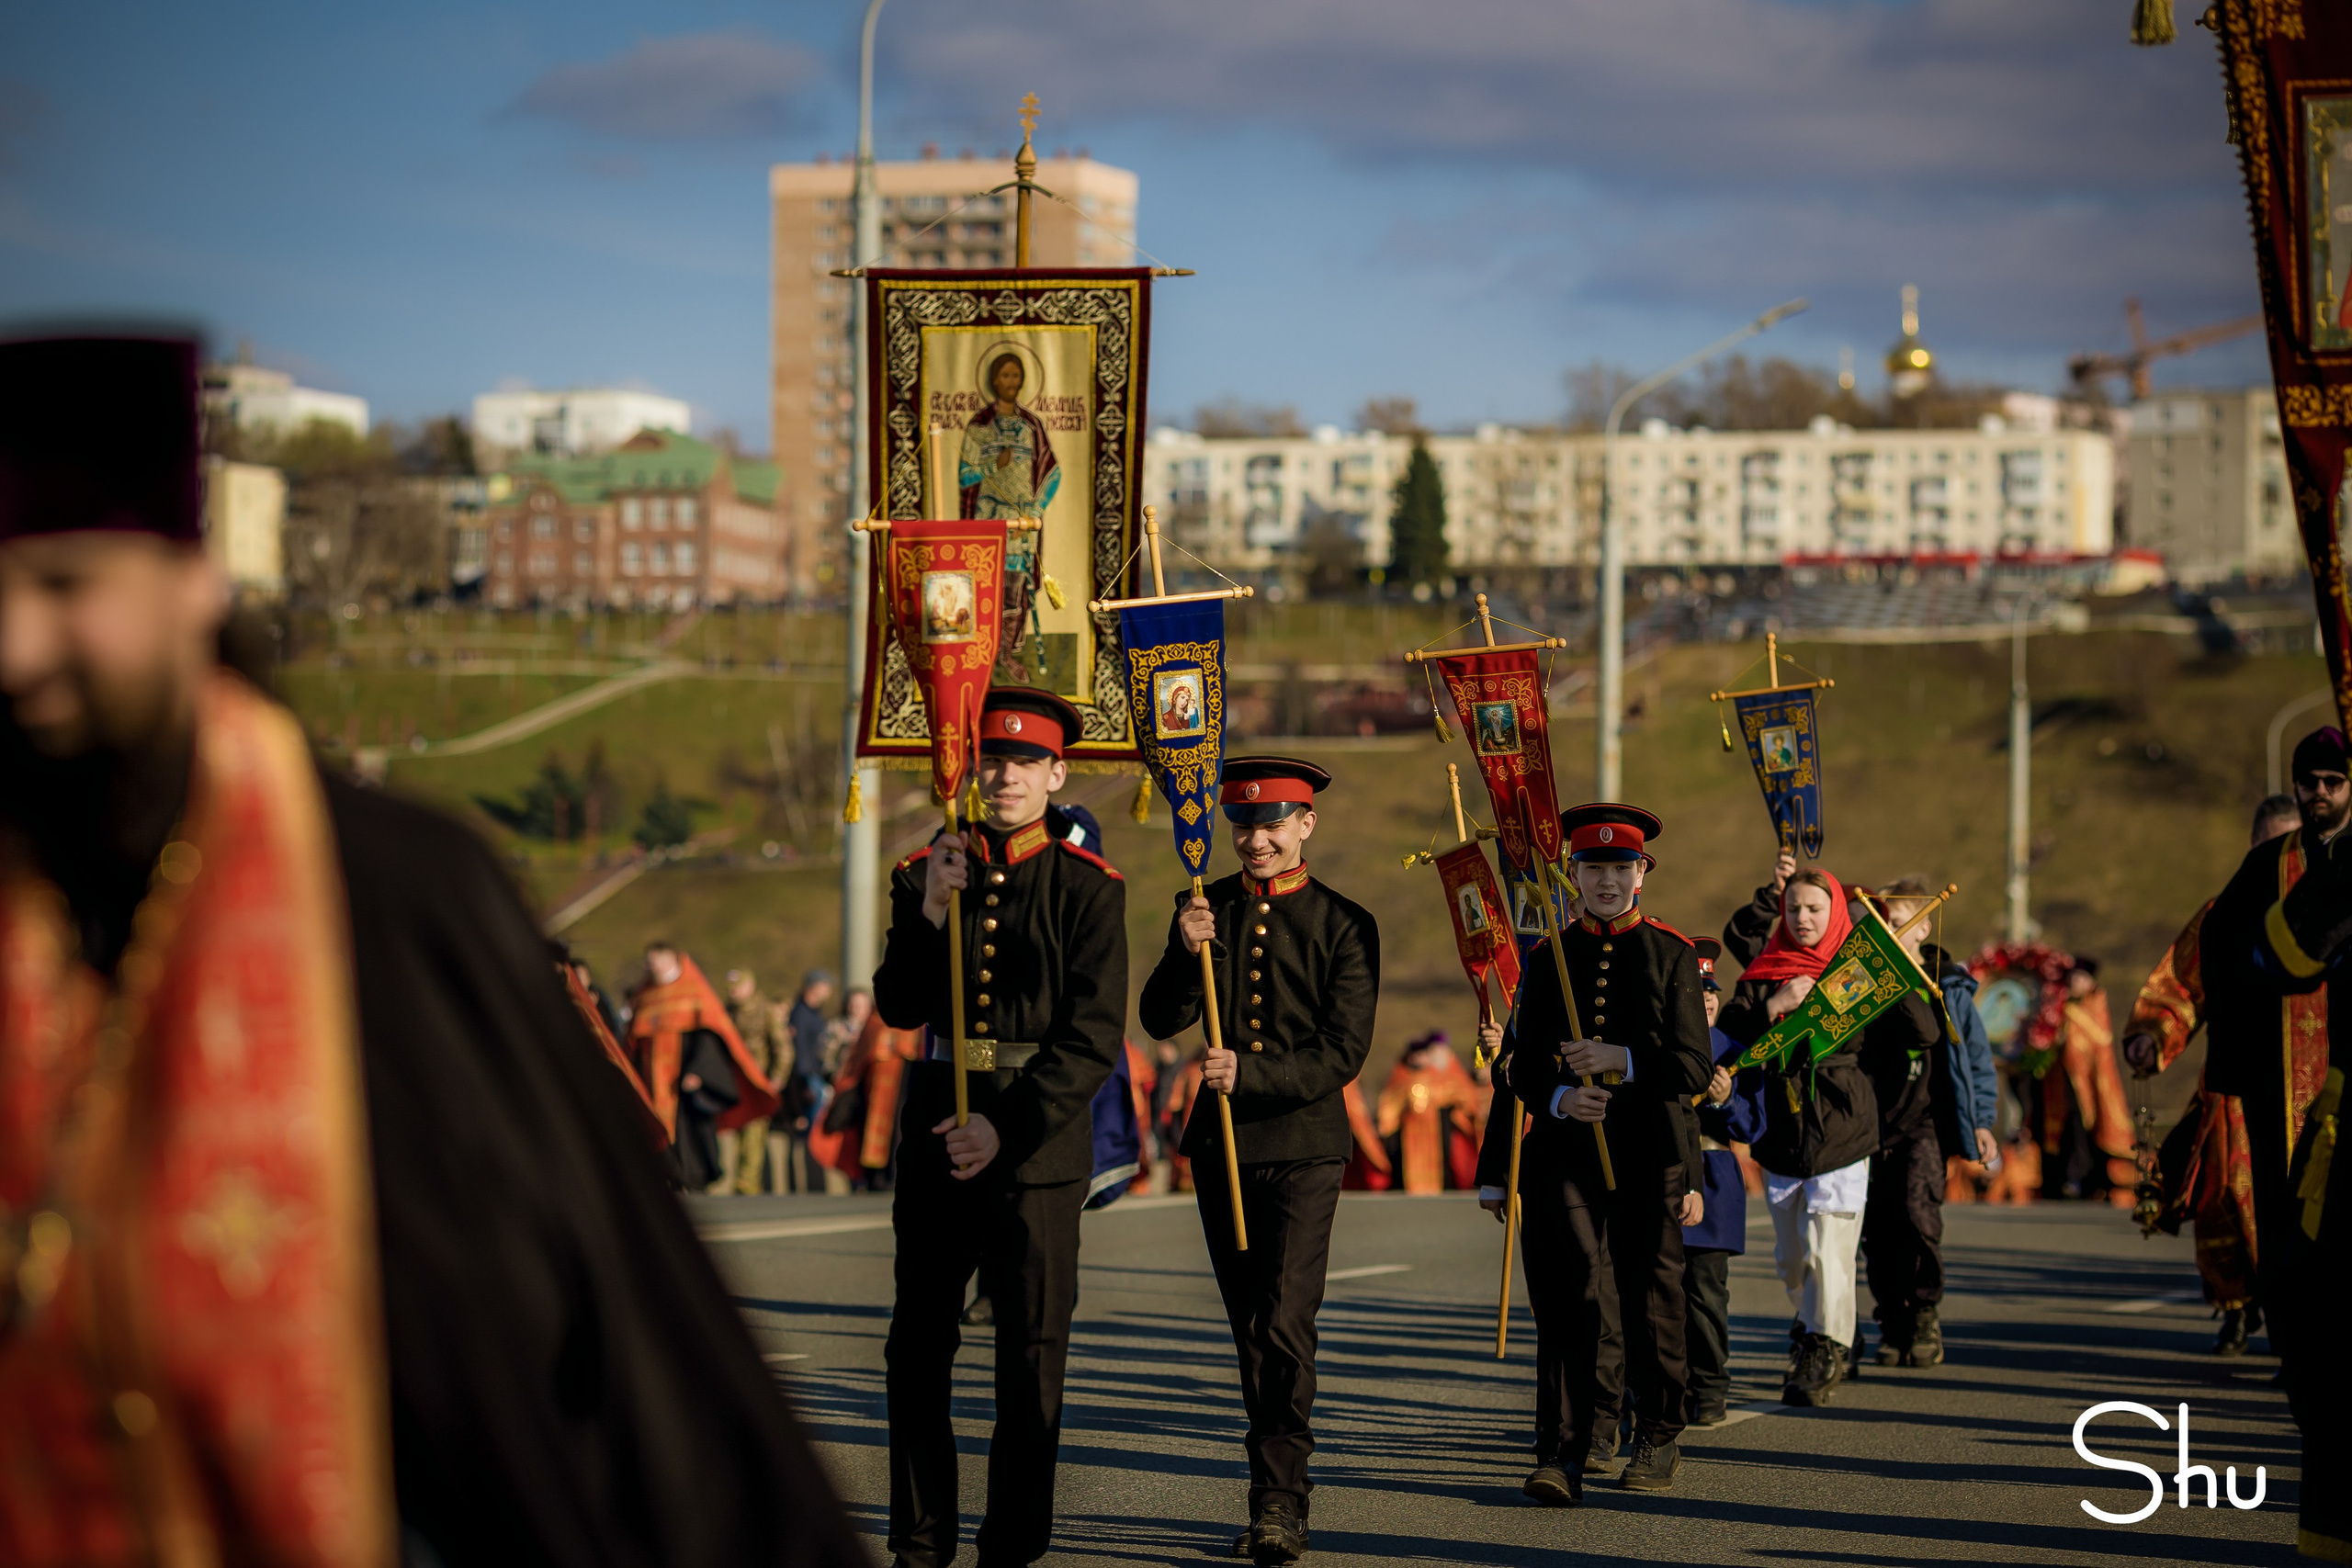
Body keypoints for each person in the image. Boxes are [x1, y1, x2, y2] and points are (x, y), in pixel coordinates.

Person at [0, 332, 865, 1565]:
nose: (14, 647)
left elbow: (622, 1336)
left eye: (66, 585)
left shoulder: (388, 890)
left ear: (194, 579)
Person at [872, 686, 1125, 1568]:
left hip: (1036, 1143)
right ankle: (918, 1541)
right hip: (940, 1121)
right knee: (917, 1347)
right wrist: (931, 909)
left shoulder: (1087, 887)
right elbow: (900, 1005)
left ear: (1058, 773)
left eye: (1026, 762)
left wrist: (1004, 1131)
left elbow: (1091, 1040)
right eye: (992, 758)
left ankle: (1010, 1545)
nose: (1005, 773)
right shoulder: (924, 868)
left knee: (1029, 1356)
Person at [1138, 756, 1379, 1563]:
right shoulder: (1204, 907)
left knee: (1284, 1319)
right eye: (1243, 825)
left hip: (1305, 1145)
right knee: (1249, 1326)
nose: (1256, 839)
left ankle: (1281, 1501)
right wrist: (1182, 948)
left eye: (1272, 823)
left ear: (1306, 823)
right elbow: (1159, 1017)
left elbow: (1343, 1051)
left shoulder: (1346, 923)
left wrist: (1255, 1073)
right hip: (1223, 1148)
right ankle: (1270, 1489)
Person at [1475, 804, 1713, 1505]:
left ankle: (1660, 1427)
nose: (1606, 880)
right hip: (1565, 1153)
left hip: (1649, 1152)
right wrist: (1556, 1098)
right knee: (1570, 1295)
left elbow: (1695, 1068)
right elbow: (1516, 1064)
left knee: (1650, 1295)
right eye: (1592, 868)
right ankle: (1564, 1449)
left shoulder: (1669, 953)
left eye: (1620, 867)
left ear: (1642, 874)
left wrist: (1624, 1060)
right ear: (1571, 874)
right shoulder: (1547, 955)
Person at [1719, 852, 1937, 1407]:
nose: (1804, 918)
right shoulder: (1767, 967)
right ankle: (1836, 1326)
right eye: (1794, 908)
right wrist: (1776, 1002)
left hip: (1844, 1125)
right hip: (1781, 1131)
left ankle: (1823, 1349)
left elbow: (1925, 1031)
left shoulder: (1857, 971)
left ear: (1835, 909)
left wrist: (1898, 960)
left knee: (1829, 1248)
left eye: (1815, 907)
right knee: (1792, 1258)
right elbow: (1728, 1035)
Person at [2223, 737, 2352, 1561]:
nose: (2318, 793)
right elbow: (2224, 955)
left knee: (2331, 1328)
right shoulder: (2267, 865)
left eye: (2333, 780)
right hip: (2287, 1109)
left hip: (2339, 1121)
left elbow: (2282, 956)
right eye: (2308, 780)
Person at [2121, 794, 2302, 1354]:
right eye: (2269, 845)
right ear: (2252, 846)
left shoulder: (2333, 904)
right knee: (2230, 1195)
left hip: (2314, 1092)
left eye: (2289, 846)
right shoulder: (2223, 914)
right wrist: (2151, 1036)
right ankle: (2240, 1304)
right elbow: (2180, 985)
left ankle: (2299, 1325)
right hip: (2238, 1088)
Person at [1861, 877, 2001, 1368]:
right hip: (1872, 1122)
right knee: (1877, 1228)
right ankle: (1891, 1319)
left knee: (1918, 1215)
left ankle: (1924, 1312)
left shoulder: (1950, 986)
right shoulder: (1865, 979)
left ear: (1922, 928)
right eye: (1881, 924)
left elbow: (1976, 1061)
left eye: (1897, 924)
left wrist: (1982, 1121)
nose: (1888, 933)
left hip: (1927, 1123)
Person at [1684, 937, 1765, 1427]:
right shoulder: (1659, 1047)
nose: (1708, 997)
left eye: (1712, 989)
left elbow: (1753, 1126)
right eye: (1698, 989)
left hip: (1713, 1181)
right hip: (1663, 1180)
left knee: (1706, 1294)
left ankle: (1709, 1387)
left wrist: (1726, 1098)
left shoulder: (1737, 1054)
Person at [628, 942, 779, 1192]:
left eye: (659, 959)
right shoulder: (645, 996)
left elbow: (708, 1036)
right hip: (653, 1079)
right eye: (650, 960)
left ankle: (695, 1176)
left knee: (691, 1129)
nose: (654, 965)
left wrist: (699, 1071)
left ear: (674, 959)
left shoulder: (693, 991)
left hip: (685, 1077)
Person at [1375, 1031, 1480, 1192]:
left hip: (1437, 1132)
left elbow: (1461, 1095)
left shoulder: (1440, 1076)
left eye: (1422, 1054)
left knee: (1442, 1159)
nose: (1418, 1058)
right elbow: (1389, 1105)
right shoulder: (1401, 1077)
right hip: (1409, 1133)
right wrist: (1386, 1125)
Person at [726, 966, 792, 1194]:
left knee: (754, 1133)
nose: (734, 993)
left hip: (758, 1081)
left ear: (750, 986)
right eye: (731, 989)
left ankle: (748, 1182)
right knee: (734, 1131)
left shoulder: (767, 1011)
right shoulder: (727, 1012)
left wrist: (777, 1078)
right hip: (734, 1082)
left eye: (738, 987)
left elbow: (782, 1047)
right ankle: (735, 1180)